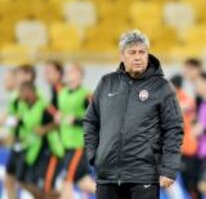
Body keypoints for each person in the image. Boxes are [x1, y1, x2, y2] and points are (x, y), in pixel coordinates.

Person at [83, 29, 184, 199]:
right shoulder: (107, 83)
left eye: (142, 52)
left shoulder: (161, 87)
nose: (138, 57)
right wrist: (95, 156)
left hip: (144, 175)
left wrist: (169, 169)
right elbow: (90, 121)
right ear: (122, 56)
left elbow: (174, 129)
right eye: (132, 52)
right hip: (107, 176)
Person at [56, 64, 96, 199]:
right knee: (82, 181)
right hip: (65, 145)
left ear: (79, 76)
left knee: (66, 181)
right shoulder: (62, 93)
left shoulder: (85, 95)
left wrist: (76, 120)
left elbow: (95, 119)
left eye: (72, 72)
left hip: (79, 145)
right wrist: (58, 117)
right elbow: (62, 114)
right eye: (68, 71)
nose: (68, 74)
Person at [3, 64, 37, 199]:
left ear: (28, 76)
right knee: (9, 180)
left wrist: (14, 120)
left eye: (17, 76)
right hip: (18, 144)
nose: (15, 79)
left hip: (30, 146)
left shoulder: (33, 95)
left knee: (26, 183)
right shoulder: (16, 96)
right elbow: (8, 118)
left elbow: (28, 119)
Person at [170, 74, 200, 199]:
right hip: (189, 148)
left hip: (183, 149)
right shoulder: (189, 100)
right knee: (189, 183)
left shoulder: (173, 100)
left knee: (184, 183)